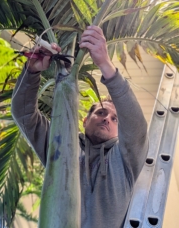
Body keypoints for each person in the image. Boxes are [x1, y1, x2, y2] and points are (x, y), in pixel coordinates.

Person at [11, 25, 148, 228]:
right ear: (85, 120)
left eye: (114, 119)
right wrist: (32, 70)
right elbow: (23, 114)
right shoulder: (63, 145)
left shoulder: (125, 160)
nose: (107, 119)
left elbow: (136, 128)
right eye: (101, 112)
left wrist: (106, 65)